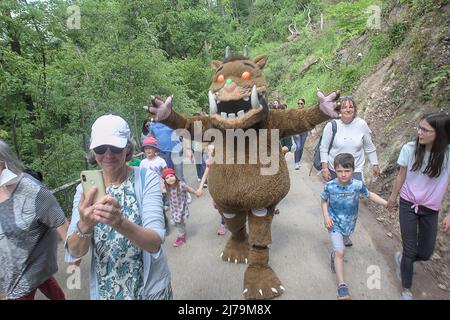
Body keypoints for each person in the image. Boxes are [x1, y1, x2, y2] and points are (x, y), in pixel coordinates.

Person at [65, 114, 172, 300]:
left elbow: (154, 243)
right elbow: (74, 252)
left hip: (149, 291)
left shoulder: (148, 179)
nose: (108, 154)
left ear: (127, 148)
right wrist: (84, 226)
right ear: (93, 150)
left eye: (115, 147)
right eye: (100, 148)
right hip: (107, 292)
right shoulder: (83, 190)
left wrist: (119, 222)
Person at [387, 112, 450, 300]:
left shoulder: (447, 154)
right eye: (419, 127)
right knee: (410, 249)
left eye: (425, 130)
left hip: (431, 209)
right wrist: (392, 198)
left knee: (426, 252)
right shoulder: (409, 148)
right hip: (408, 203)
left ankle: (402, 259)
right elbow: (401, 176)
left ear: (439, 133)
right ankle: (406, 290)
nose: (419, 132)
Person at [0, 139, 69, 300]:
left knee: (39, 279)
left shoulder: (31, 190)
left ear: (4, 162)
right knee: (45, 281)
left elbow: (62, 225)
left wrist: (75, 259)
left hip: (24, 271)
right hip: (15, 266)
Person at [321, 153, 387, 300]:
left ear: (353, 169)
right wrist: (326, 216)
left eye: (347, 171)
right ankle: (342, 286)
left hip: (349, 224)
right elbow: (324, 201)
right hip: (334, 223)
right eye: (339, 171)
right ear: (335, 170)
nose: (343, 174)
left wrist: (387, 204)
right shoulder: (330, 186)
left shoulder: (357, 185)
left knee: (341, 246)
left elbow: (370, 195)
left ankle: (335, 254)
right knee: (340, 252)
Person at [320, 96, 380, 247]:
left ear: (355, 109)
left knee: (352, 201)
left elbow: (369, 146)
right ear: (340, 110)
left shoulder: (361, 125)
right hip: (336, 169)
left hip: (356, 167)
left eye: (351, 107)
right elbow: (324, 147)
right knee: (336, 201)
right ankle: (336, 231)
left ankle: (345, 232)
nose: (348, 109)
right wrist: (325, 167)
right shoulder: (332, 125)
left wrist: (375, 163)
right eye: (345, 107)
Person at [162, 167, 199, 247]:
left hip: (181, 210)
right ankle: (182, 232)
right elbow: (161, 192)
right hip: (173, 210)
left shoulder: (181, 185)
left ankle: (180, 238)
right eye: (167, 178)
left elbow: (189, 189)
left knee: (180, 225)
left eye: (171, 176)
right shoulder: (167, 187)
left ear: (175, 176)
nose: (170, 179)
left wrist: (195, 192)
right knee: (173, 224)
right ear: (165, 180)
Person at [195, 144, 227, 235]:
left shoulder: (223, 162)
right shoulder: (209, 163)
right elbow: (204, 175)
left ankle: (223, 224)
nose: (211, 153)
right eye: (209, 151)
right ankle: (227, 218)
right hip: (215, 190)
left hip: (224, 189)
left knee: (223, 207)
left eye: (213, 151)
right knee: (217, 206)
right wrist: (200, 188)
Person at [293, 98, 316, 170]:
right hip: (296, 132)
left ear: (304, 104)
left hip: (304, 132)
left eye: (301, 103)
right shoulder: (295, 112)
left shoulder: (307, 112)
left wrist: (312, 131)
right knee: (298, 146)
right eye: (298, 103)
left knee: (301, 147)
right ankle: (296, 163)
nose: (299, 105)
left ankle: (299, 160)